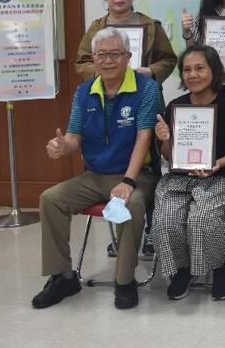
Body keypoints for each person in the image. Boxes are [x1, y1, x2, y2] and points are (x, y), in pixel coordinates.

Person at [33, 27, 161, 310]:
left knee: (131, 204)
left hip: (138, 175)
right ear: (93, 58)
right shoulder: (84, 91)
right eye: (101, 55)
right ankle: (63, 276)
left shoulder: (146, 89)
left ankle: (124, 281)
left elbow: (144, 137)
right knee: (51, 199)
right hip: (95, 175)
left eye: (115, 54)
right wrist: (62, 147)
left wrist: (128, 181)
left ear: (128, 57)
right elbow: (73, 137)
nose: (108, 60)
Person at [150, 45, 225, 302]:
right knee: (166, 218)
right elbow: (168, 155)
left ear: (214, 71)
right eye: (187, 70)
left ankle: (220, 266)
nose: (193, 75)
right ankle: (182, 270)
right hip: (182, 178)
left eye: (200, 68)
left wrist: (217, 163)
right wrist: (165, 138)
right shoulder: (175, 107)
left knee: (202, 218)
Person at [75, 0, 176, 83]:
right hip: (105, 88)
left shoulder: (151, 26)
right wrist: (100, 72)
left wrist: (150, 71)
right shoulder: (97, 27)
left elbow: (168, 59)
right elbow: (82, 62)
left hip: (143, 87)